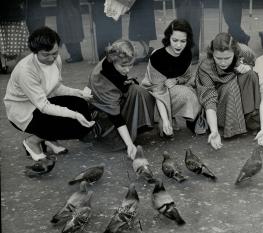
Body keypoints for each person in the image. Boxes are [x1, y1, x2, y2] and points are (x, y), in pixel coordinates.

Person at [3, 27, 95, 161]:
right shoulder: (26, 71)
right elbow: (44, 107)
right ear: (35, 52)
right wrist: (74, 114)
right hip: (23, 113)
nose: (52, 58)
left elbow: (55, 87)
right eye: (46, 55)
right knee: (72, 120)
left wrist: (78, 93)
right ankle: (32, 141)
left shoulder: (55, 60)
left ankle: (49, 139)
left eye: (55, 53)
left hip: (41, 103)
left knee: (81, 105)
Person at [195, 33, 263, 149]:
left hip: (237, 92)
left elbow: (260, 68)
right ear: (212, 54)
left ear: (235, 53)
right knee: (230, 85)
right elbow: (209, 99)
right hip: (219, 104)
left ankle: (252, 120)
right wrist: (214, 130)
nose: (223, 62)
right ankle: (227, 126)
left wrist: (249, 67)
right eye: (218, 58)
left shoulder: (244, 51)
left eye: (227, 58)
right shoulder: (205, 66)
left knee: (251, 74)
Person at [88, 40, 155, 159]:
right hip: (101, 114)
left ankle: (137, 126)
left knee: (139, 91)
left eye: (131, 65)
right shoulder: (104, 78)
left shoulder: (113, 61)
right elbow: (116, 117)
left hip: (113, 100)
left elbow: (121, 80)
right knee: (115, 141)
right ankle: (128, 133)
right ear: (113, 60)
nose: (128, 69)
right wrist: (130, 144)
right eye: (124, 66)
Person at [142, 19, 201, 137]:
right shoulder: (157, 57)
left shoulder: (187, 53)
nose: (179, 45)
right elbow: (158, 92)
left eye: (183, 41)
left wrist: (177, 80)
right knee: (185, 93)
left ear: (187, 40)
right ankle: (163, 119)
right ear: (168, 38)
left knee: (194, 89)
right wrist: (165, 120)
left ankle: (190, 119)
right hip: (152, 98)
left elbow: (187, 77)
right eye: (175, 40)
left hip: (171, 91)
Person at [0, 0, 29, 73]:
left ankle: (3, 65)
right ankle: (17, 65)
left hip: (3, 15)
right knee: (18, 41)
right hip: (17, 15)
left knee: (3, 41)